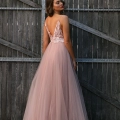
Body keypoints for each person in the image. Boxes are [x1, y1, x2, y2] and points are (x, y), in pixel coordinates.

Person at [23, 0, 89, 120]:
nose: (61, 4)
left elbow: (45, 44)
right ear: (51, 5)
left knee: (50, 87)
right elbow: (67, 41)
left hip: (50, 54)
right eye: (57, 2)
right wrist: (73, 59)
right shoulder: (63, 18)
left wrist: (46, 61)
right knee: (62, 86)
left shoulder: (47, 20)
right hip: (60, 52)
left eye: (62, 2)